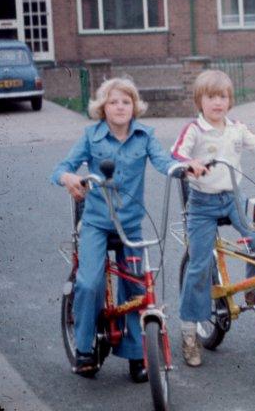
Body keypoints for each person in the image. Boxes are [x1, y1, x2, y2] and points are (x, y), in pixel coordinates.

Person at [51, 78, 196, 382]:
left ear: (134, 107)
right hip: (96, 223)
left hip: (130, 224)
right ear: (103, 107)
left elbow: (163, 161)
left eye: (126, 102)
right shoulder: (91, 135)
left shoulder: (145, 135)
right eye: (114, 102)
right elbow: (61, 168)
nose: (120, 107)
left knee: (138, 289)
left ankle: (137, 355)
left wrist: (183, 168)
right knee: (89, 283)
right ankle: (85, 349)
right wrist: (68, 178)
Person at [171, 69, 255, 368]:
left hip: (233, 197)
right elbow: (176, 153)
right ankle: (189, 333)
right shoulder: (194, 129)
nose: (217, 103)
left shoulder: (236, 128)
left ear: (230, 101)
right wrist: (189, 164)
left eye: (222, 97)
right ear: (200, 100)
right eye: (210, 97)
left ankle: (250, 289)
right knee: (199, 265)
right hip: (202, 203)